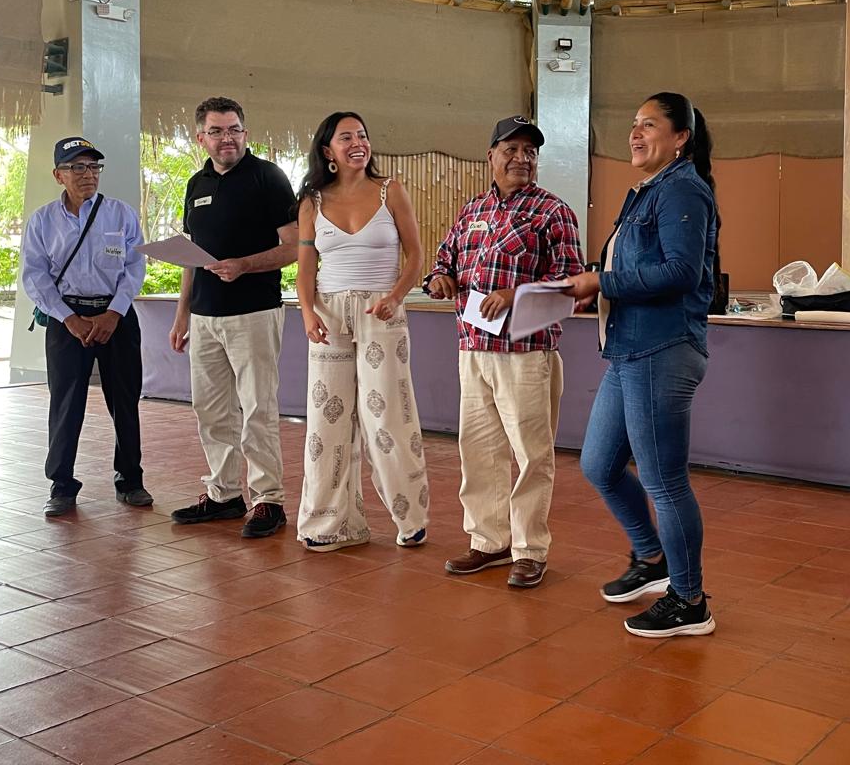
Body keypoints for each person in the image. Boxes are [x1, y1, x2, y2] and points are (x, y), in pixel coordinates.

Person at [562, 92, 719, 637]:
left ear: (680, 138)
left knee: (664, 481)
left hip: (662, 349)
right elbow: (632, 268)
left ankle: (689, 599)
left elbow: (680, 272)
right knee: (599, 465)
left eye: (649, 125)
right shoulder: (648, 192)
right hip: (629, 350)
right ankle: (652, 559)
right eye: (633, 124)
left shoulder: (682, 190)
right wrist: (596, 287)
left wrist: (602, 281)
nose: (635, 133)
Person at [426, 115, 583, 588]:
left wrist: (516, 295)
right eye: (511, 149)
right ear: (491, 155)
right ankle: (488, 541)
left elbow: (573, 284)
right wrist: (440, 279)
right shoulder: (472, 211)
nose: (521, 158)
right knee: (479, 451)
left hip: (526, 354)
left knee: (531, 455)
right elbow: (444, 261)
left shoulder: (553, 212)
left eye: (530, 151)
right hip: (473, 348)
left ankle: (530, 549)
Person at [294, 112, 430, 551]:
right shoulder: (312, 201)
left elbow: (415, 256)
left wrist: (395, 296)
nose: (358, 143)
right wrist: (307, 313)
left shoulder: (392, 190)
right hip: (328, 314)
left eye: (363, 135)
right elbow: (305, 269)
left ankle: (410, 518)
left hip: (381, 313)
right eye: (346, 137)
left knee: (387, 415)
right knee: (327, 420)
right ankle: (331, 524)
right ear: (327, 150)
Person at [169, 97, 298, 539]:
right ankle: (223, 493)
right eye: (217, 131)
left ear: (246, 133)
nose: (228, 138)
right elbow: (190, 256)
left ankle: (268, 500)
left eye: (234, 130)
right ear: (201, 137)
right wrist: (182, 315)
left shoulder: (268, 177)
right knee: (210, 409)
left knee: (258, 407)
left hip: (254, 312)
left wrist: (244, 265)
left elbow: (294, 246)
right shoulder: (196, 184)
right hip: (204, 317)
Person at [20, 136, 149, 517]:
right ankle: (61, 485)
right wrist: (68, 318)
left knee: (124, 400)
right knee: (66, 403)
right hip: (67, 319)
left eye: (93, 167)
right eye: (77, 167)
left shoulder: (121, 214)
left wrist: (114, 313)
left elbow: (135, 267)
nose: (88, 174)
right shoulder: (42, 221)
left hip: (116, 317)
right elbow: (34, 275)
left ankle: (131, 480)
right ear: (58, 175)